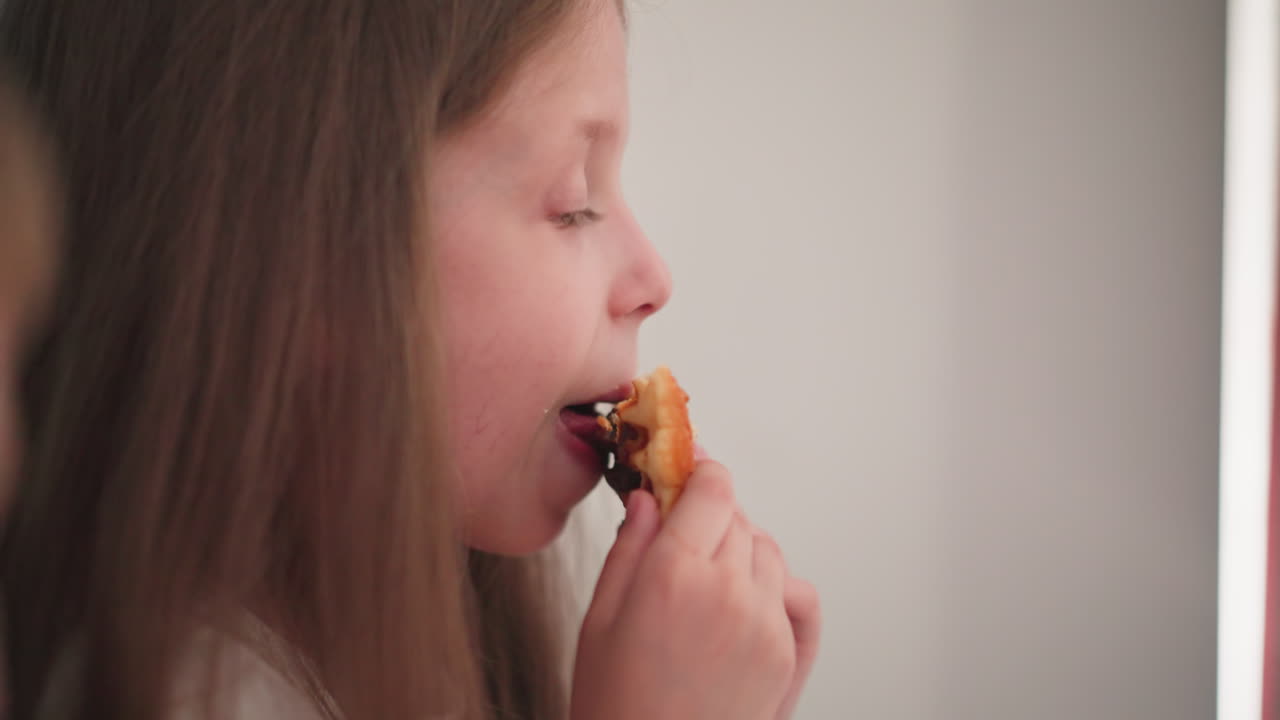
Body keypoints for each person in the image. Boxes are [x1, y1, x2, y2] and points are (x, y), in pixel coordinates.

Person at [0, 1, 820, 718]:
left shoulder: (399, 661)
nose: (654, 277)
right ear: (309, 254)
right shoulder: (191, 696)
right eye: (574, 204)